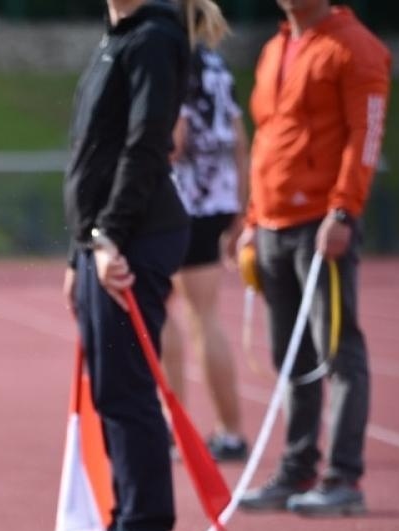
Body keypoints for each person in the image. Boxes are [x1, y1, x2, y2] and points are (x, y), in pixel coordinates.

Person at [45, 0, 192, 531]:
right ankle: (122, 523)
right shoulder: (115, 38)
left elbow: (146, 144)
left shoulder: (154, 37)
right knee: (110, 389)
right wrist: (78, 250)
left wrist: (107, 237)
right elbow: (92, 154)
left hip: (134, 236)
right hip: (101, 242)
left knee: (126, 389)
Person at [235, 0, 390, 517]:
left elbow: (364, 135)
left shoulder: (356, 48)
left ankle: (344, 477)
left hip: (322, 224)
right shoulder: (275, 47)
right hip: (273, 225)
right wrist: (253, 219)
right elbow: (266, 139)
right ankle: (297, 467)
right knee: (289, 356)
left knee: (339, 351)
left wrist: (343, 212)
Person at [161, 1, 250, 463]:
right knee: (206, 316)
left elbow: (172, 141)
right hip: (215, 200)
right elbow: (238, 137)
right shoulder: (217, 63)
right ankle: (231, 431)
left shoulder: (173, 56)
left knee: (159, 311)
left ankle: (176, 428)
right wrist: (240, 207)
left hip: (180, 201)